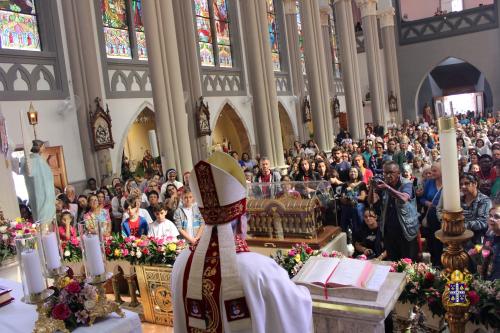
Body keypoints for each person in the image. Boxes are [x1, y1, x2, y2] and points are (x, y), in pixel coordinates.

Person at [172, 152, 312, 333]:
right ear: (240, 220)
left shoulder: (181, 263)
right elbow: (295, 309)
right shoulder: (260, 269)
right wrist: (306, 291)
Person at [368, 161, 419, 261]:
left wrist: (387, 187)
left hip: (405, 230)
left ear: (398, 173)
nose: (387, 175)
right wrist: (372, 187)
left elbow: (404, 198)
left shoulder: (406, 183)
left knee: (407, 263)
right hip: (389, 231)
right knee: (393, 262)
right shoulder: (384, 184)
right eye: (385, 173)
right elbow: (371, 201)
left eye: (391, 172)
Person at [22, 140, 56, 223]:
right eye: (43, 146)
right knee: (43, 217)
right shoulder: (36, 161)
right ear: (39, 147)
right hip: (42, 194)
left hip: (43, 194)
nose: (44, 148)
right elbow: (43, 180)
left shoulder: (35, 160)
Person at [456, 173, 491, 247]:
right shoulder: (459, 200)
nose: (463, 186)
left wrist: (462, 226)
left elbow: (483, 222)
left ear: (475, 184)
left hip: (477, 241)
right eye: (461, 184)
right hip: (460, 239)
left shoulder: (484, 200)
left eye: (466, 183)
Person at [339, 167, 367, 235]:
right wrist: (347, 200)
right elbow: (342, 198)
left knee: (357, 209)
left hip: (358, 206)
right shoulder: (345, 185)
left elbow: (362, 197)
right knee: (345, 210)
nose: (353, 173)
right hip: (347, 206)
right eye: (351, 171)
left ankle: (359, 234)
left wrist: (352, 197)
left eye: (355, 172)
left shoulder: (362, 184)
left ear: (358, 173)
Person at [481, 204, 500, 280]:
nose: (491, 219)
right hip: (488, 284)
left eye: (496, 217)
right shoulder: (488, 237)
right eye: (490, 216)